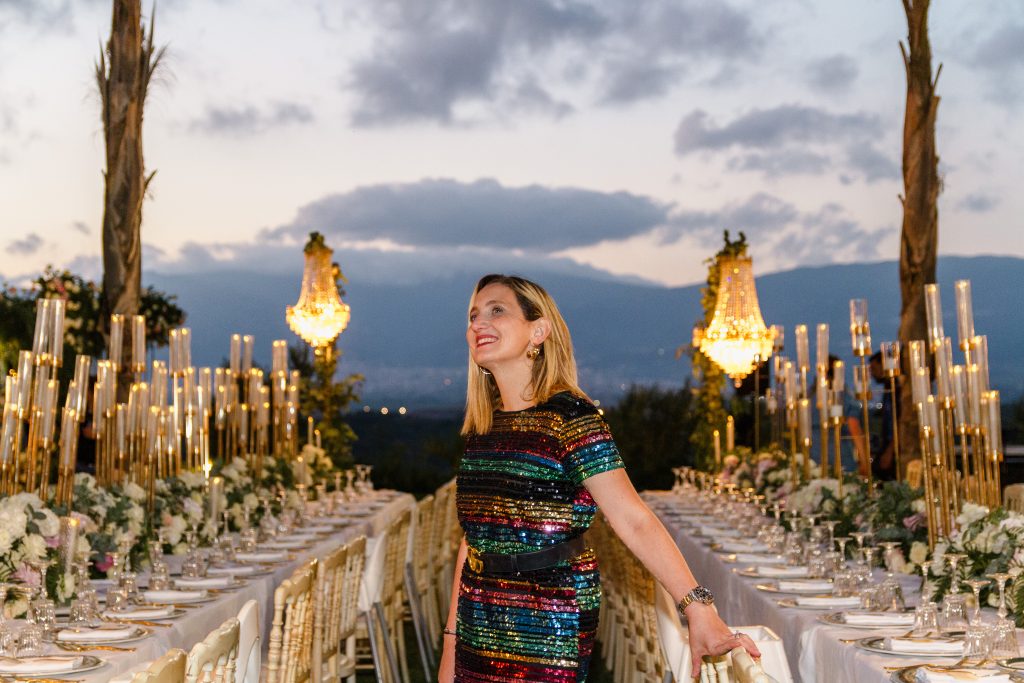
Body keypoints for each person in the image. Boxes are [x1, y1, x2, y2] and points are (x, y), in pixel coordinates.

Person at [438, 274, 759, 682]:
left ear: (538, 330)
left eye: (496, 310)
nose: (478, 324)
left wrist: (699, 608)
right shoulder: (484, 429)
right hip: (478, 611)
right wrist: (451, 641)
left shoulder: (571, 416)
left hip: (551, 608)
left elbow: (633, 519)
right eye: (473, 316)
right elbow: (474, 540)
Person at [810, 354, 869, 476]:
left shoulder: (810, 397)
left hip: (813, 456)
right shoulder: (842, 396)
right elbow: (854, 425)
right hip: (839, 455)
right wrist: (864, 460)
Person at [869, 351, 897, 481]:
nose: (872, 374)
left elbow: (898, 421)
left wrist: (890, 450)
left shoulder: (895, 388)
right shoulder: (887, 388)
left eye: (874, 368)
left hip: (894, 449)